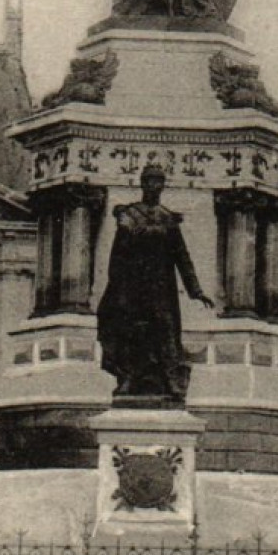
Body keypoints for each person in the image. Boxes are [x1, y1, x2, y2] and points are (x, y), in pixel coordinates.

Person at [96, 164, 214, 401]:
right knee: (131, 330)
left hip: (161, 287)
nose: (154, 187)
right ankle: (128, 378)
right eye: (150, 181)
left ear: (162, 186)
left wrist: (196, 290)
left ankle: (171, 379)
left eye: (158, 182)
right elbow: (117, 256)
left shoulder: (168, 219)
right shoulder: (129, 215)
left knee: (166, 330)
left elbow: (182, 257)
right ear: (142, 184)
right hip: (132, 284)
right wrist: (117, 287)